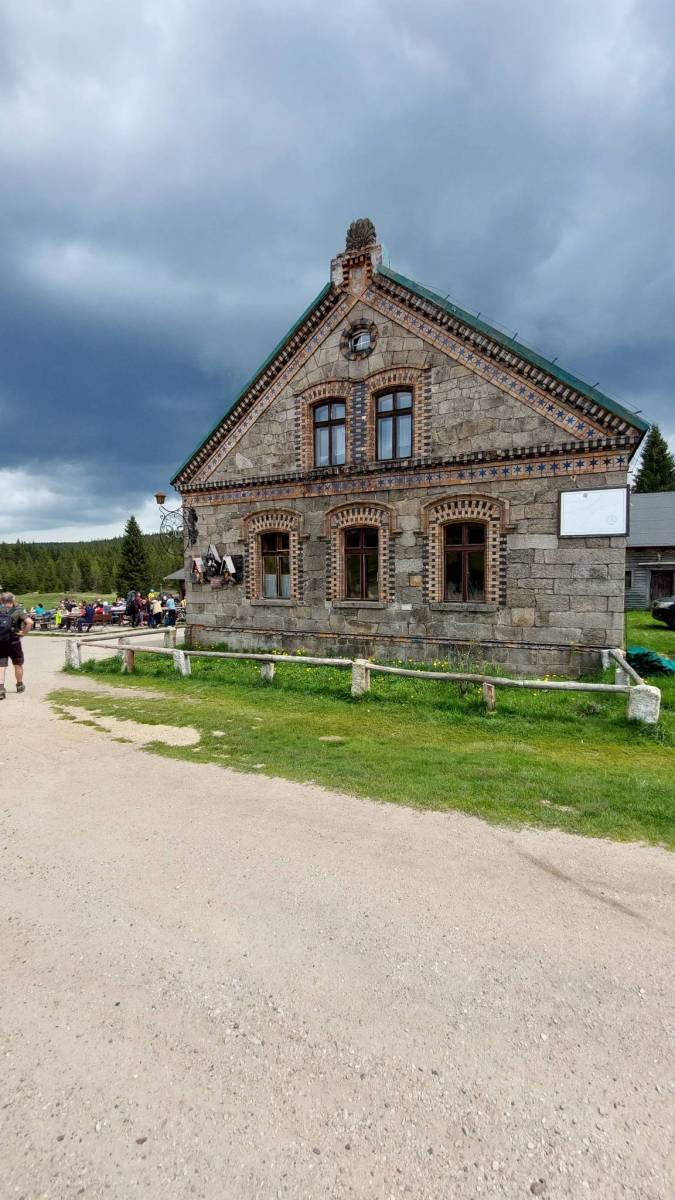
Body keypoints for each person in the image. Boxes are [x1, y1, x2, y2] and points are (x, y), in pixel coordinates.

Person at [0, 592, 33, 700]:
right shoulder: (18, 610)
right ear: (13, 600)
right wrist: (23, 633)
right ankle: (19, 685)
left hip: (1, 641)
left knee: (1, 665)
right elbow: (30, 622)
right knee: (18, 664)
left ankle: (1, 689)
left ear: (1, 601)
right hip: (14, 641)